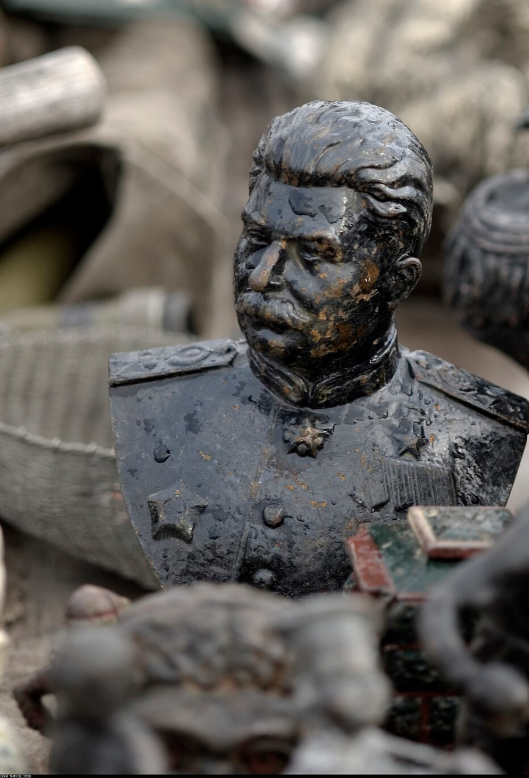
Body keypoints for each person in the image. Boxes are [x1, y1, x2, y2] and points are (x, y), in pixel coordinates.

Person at [110, 101, 528, 596]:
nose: (262, 277)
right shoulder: (150, 396)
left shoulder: (476, 431)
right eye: (256, 238)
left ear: (396, 281)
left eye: (314, 255)